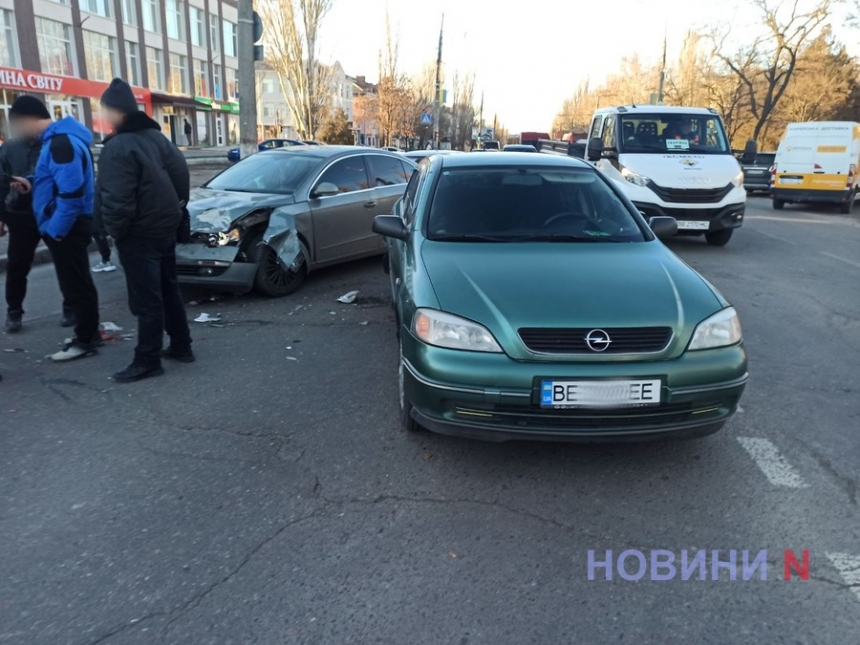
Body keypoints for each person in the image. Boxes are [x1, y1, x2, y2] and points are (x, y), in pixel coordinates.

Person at [96, 78, 193, 383]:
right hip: (165, 227)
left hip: (138, 233)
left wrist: (116, 231)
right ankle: (181, 345)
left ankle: (148, 359)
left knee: (147, 298)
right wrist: (175, 211)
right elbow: (181, 176)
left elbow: (115, 198)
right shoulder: (158, 138)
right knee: (168, 289)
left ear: (113, 112)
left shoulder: (119, 147)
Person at [8, 96, 100, 361]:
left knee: (76, 284)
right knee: (79, 281)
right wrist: (29, 181)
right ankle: (89, 334)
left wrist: (55, 231)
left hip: (67, 227)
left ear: (27, 120)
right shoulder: (58, 140)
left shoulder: (61, 143)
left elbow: (71, 194)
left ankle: (85, 340)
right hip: (68, 225)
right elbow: (53, 178)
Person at [0, 129, 70, 333]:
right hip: (20, 216)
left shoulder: (53, 146)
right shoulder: (9, 148)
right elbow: (1, 182)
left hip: (51, 214)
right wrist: (1, 217)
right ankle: (14, 311)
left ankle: (71, 307)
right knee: (17, 265)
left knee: (65, 262)